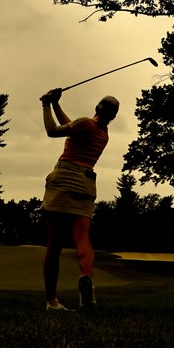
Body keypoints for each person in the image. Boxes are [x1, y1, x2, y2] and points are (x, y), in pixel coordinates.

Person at [38, 87, 119, 311]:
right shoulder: (102, 134)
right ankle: (86, 279)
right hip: (86, 182)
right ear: (112, 117)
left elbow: (53, 130)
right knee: (82, 237)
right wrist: (56, 104)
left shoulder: (86, 124)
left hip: (64, 177)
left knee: (54, 243)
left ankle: (52, 301)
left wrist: (45, 104)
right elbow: (72, 126)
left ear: (97, 108)